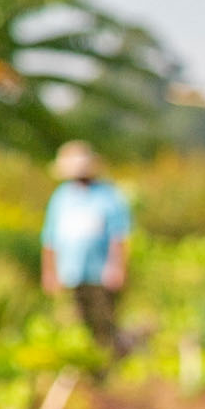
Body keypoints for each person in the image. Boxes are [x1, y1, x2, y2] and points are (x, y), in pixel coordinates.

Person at [41, 141, 133, 358]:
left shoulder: (108, 195)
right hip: (70, 271)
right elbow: (50, 239)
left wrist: (117, 267)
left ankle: (108, 363)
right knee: (77, 320)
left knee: (104, 319)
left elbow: (118, 235)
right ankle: (86, 365)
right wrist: (49, 272)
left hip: (100, 271)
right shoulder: (61, 197)